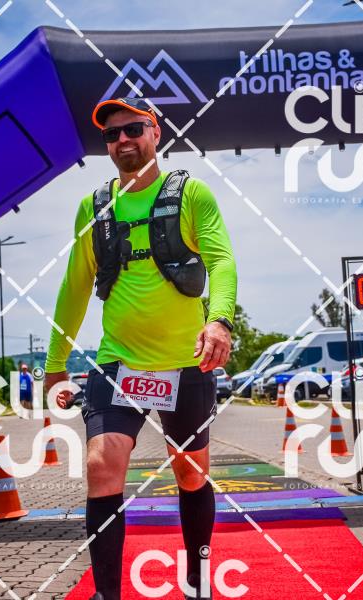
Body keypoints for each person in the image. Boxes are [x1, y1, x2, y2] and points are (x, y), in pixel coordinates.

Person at [44, 97, 237, 600]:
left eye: (133, 129)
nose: (123, 140)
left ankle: (197, 581)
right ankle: (107, 594)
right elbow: (74, 288)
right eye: (112, 135)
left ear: (155, 133)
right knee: (101, 465)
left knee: (190, 475)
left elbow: (221, 261)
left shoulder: (191, 194)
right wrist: (54, 364)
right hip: (118, 362)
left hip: (187, 363)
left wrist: (219, 321)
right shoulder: (94, 208)